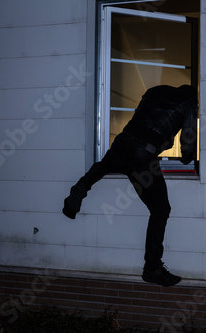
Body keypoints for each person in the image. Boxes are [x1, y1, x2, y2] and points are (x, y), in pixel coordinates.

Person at [63, 84, 198, 287]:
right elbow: (187, 146)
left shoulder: (155, 90)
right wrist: (189, 156)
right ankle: (152, 268)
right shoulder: (189, 104)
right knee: (161, 209)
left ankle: (81, 187)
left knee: (104, 165)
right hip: (144, 153)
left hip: (123, 141)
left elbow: (139, 117)